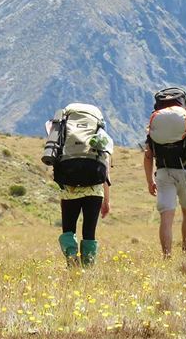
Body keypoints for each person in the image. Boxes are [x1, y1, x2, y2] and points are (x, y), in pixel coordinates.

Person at [44, 104, 114, 267]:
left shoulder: (64, 130)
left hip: (69, 185)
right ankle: (88, 267)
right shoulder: (100, 132)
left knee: (68, 228)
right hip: (94, 187)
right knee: (89, 232)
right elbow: (106, 170)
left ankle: (72, 263)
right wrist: (107, 200)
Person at [143, 88, 186, 257]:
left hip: (164, 172)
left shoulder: (155, 125)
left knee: (166, 217)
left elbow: (148, 155)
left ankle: (167, 255)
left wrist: (150, 180)